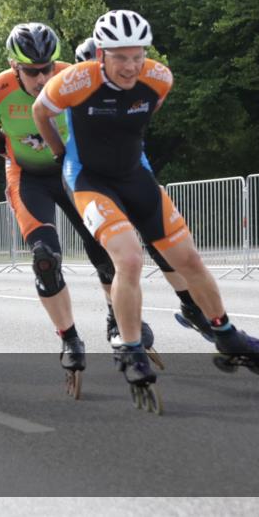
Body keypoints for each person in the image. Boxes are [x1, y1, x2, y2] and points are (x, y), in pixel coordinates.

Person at [33, 9, 259, 408]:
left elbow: (143, 115)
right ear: (100, 53)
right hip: (89, 180)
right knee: (130, 259)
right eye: (120, 57)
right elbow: (40, 112)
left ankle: (225, 334)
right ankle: (133, 348)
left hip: (134, 174)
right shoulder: (75, 81)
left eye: (137, 55)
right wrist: (58, 154)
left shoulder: (159, 77)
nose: (131, 66)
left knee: (188, 259)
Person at [0, 22, 95, 395]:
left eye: (47, 68)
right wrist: (15, 153)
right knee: (45, 258)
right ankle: (70, 338)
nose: (42, 78)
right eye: (32, 71)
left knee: (104, 247)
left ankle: (115, 320)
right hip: (27, 177)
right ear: (14, 66)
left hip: (71, 171)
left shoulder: (72, 78)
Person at [75, 37, 211, 344]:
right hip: (91, 182)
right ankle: (115, 319)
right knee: (107, 253)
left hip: (130, 174)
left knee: (159, 244)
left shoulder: (130, 90)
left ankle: (190, 306)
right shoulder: (74, 97)